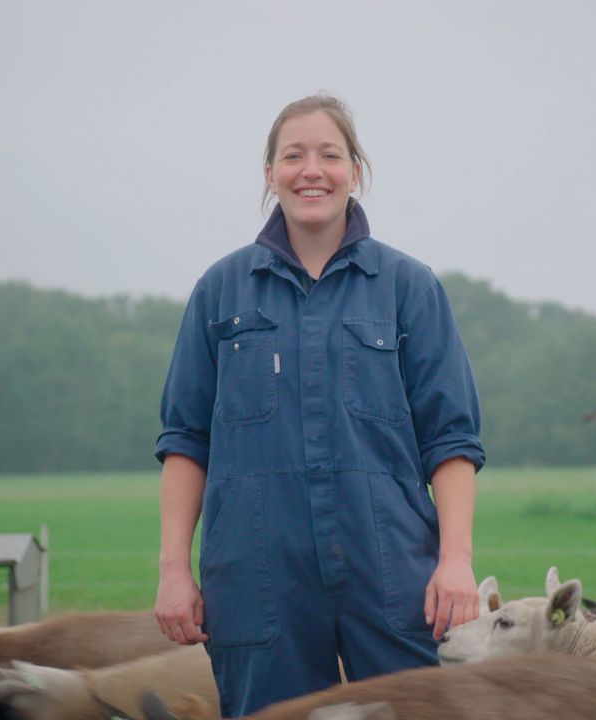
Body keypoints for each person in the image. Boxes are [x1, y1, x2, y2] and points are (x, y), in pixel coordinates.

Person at [153, 94, 485, 717]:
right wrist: (173, 569)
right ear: (269, 173)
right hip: (256, 577)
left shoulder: (408, 287)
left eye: (330, 155)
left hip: (391, 575)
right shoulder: (220, 291)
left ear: (355, 171)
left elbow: (452, 440)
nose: (312, 170)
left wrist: (455, 562)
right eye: (293, 156)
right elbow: (185, 442)